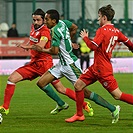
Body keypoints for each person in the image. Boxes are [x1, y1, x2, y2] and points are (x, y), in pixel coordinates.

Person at [33, 9, 121, 123]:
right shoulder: (64, 22)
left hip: (71, 65)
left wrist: (42, 49)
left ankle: (113, 108)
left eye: (47, 19)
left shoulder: (54, 31)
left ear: (54, 21)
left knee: (85, 92)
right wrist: (69, 40)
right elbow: (74, 27)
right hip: (61, 64)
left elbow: (54, 51)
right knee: (41, 82)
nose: (45, 22)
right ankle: (61, 104)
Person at [65, 4, 133, 123]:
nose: (98, 19)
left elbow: (92, 47)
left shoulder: (102, 30)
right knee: (78, 85)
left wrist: (85, 38)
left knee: (117, 95)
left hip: (103, 70)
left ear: (104, 18)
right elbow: (128, 42)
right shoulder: (117, 31)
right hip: (96, 67)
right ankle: (79, 114)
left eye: (99, 16)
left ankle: (113, 109)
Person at [0, 8, 69, 116]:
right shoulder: (33, 27)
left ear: (44, 20)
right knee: (11, 79)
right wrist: (27, 44)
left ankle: (82, 104)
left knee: (61, 89)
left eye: (38, 20)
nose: (35, 22)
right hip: (34, 64)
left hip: (45, 64)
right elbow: (32, 40)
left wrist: (27, 46)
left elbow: (40, 46)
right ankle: (5, 107)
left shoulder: (45, 31)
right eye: (34, 20)